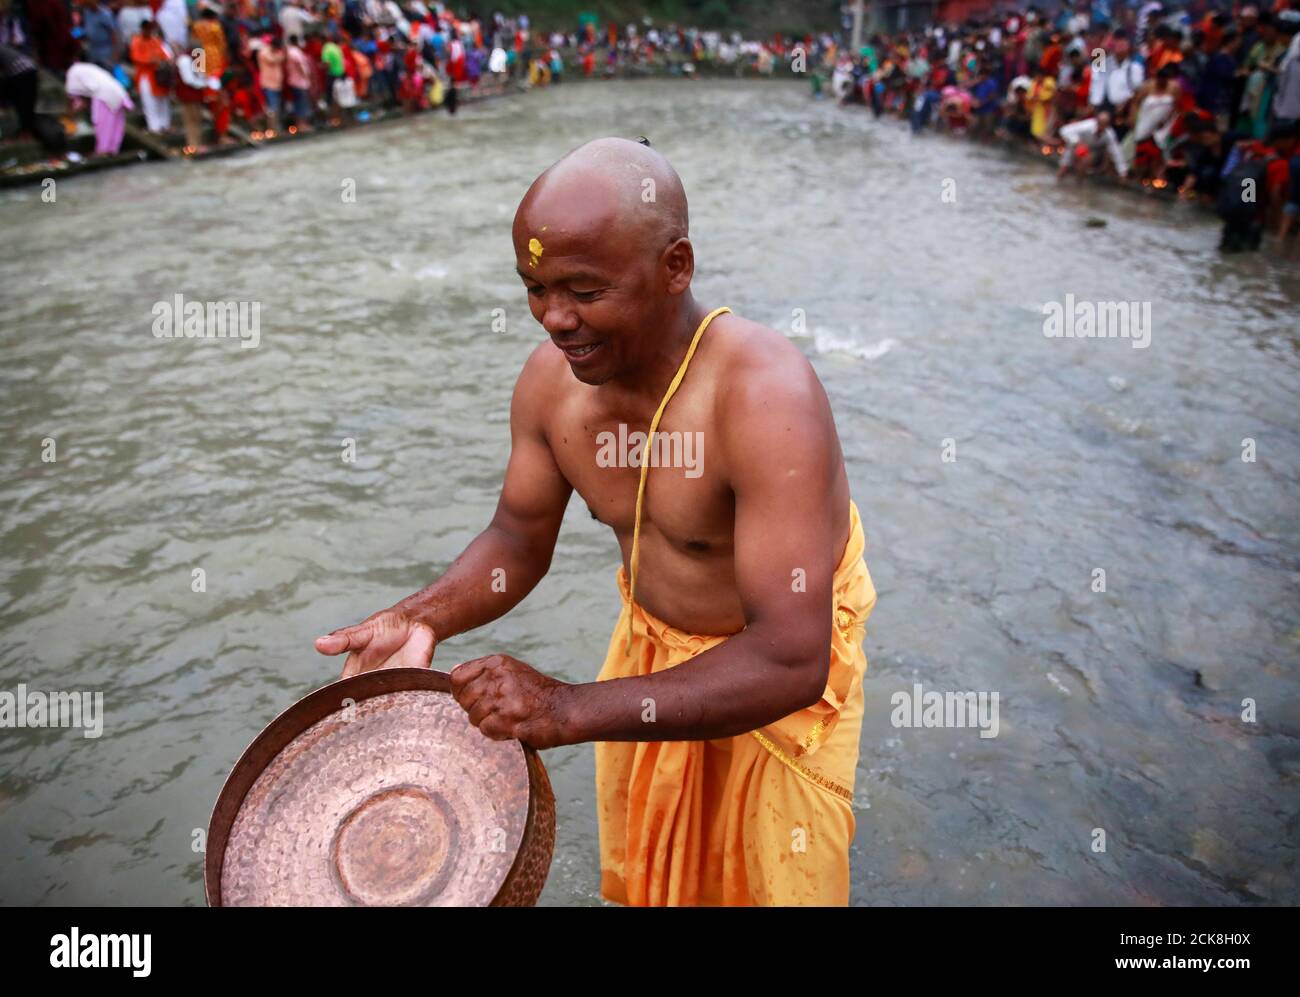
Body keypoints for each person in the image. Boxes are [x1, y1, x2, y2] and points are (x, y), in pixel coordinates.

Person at [314, 137, 877, 907]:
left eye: (584, 289)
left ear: (675, 266)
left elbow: (791, 656)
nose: (554, 318)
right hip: (652, 660)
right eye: (534, 287)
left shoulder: (764, 396)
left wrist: (568, 707)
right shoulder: (552, 386)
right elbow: (516, 541)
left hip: (774, 685)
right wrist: (417, 617)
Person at [64, 55, 133, 155]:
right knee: (116, 126)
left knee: (103, 126)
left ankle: (102, 151)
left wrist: (69, 113)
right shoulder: (86, 68)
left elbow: (72, 94)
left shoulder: (72, 71)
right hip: (118, 92)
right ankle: (112, 151)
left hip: (103, 95)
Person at [130, 19, 172, 134]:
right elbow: (137, 58)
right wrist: (153, 60)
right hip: (146, 77)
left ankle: (165, 125)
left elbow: (166, 56)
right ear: (143, 29)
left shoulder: (156, 40)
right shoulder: (136, 41)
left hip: (160, 77)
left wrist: (161, 60)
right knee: (150, 103)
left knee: (163, 101)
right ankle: (154, 127)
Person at [258, 36, 285, 132]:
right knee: (272, 107)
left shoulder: (276, 52)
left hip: (277, 84)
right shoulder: (264, 52)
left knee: (276, 106)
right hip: (268, 84)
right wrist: (279, 55)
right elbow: (273, 60)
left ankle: (276, 127)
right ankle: (272, 129)